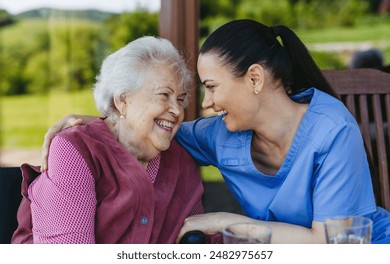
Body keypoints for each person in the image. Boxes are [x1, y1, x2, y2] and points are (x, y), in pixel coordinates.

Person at [39, 19, 390, 244]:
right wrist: (111, 116)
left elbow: (332, 243)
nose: (205, 103)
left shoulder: (332, 130)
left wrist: (225, 220)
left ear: (254, 79)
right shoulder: (222, 134)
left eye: (211, 86)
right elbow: (157, 127)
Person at [11, 36, 205, 244]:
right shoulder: (75, 151)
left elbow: (204, 242)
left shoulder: (180, 159)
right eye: (164, 95)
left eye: (181, 99)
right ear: (122, 101)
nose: (177, 110)